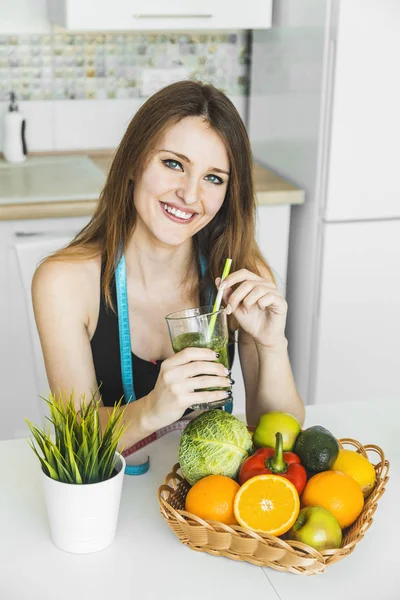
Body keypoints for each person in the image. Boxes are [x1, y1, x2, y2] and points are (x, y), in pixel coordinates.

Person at [32, 80, 304, 451]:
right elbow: (75, 437)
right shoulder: (64, 282)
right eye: (174, 163)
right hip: (114, 499)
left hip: (204, 503)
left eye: (213, 178)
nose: (190, 194)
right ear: (133, 162)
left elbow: (278, 436)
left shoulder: (240, 274)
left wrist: (271, 345)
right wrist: (152, 409)